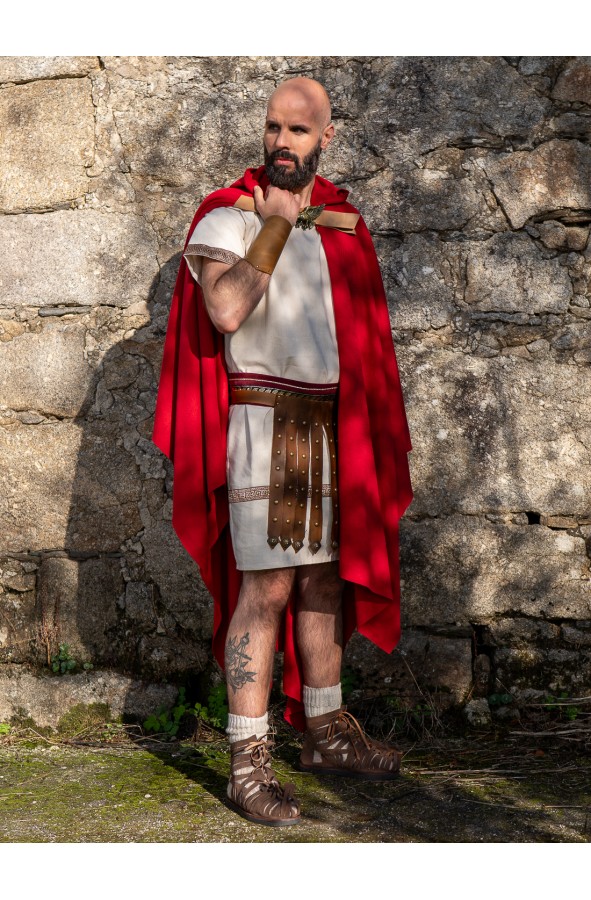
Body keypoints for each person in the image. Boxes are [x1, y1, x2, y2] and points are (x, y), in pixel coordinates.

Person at [152, 76, 413, 826]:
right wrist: (270, 225)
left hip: (335, 429)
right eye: (272, 128)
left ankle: (327, 733)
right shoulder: (224, 217)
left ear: (324, 137)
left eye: (297, 131)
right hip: (260, 427)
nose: (280, 143)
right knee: (263, 590)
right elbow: (228, 309)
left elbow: (362, 342)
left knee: (325, 582)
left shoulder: (342, 224)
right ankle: (245, 762)